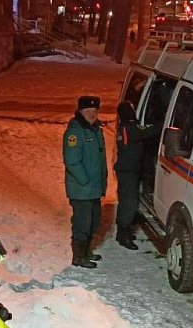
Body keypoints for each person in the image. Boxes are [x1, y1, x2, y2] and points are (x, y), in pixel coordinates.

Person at [63, 95, 107, 269]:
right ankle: (78, 256)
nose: (92, 114)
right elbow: (72, 161)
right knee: (82, 223)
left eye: (94, 111)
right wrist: (85, 180)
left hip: (94, 187)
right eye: (88, 111)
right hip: (82, 189)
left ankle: (86, 251)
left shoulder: (96, 130)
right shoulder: (75, 132)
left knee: (94, 221)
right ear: (80, 111)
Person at [113, 100, 158, 250]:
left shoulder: (126, 126)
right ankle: (123, 235)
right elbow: (144, 133)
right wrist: (161, 124)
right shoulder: (128, 128)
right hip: (128, 171)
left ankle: (123, 231)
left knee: (127, 201)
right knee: (129, 203)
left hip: (129, 170)